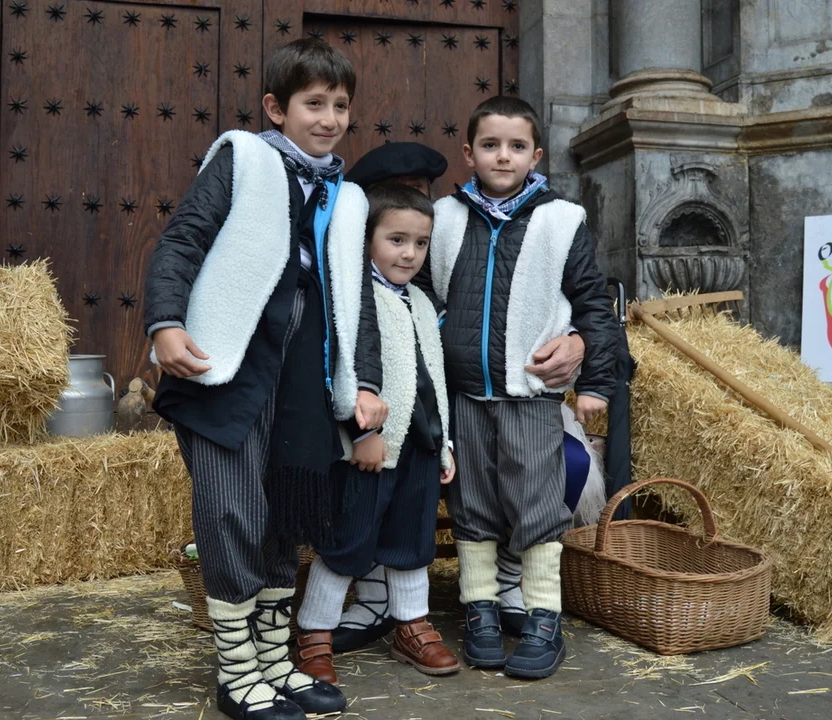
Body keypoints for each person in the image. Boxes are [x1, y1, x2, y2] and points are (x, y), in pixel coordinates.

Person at [143, 39, 388, 720]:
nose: (330, 118)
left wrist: (366, 382)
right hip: (230, 369)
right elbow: (183, 240)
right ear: (276, 109)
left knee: (285, 515)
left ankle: (274, 660)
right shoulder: (243, 159)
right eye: (314, 104)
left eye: (341, 105)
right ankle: (236, 671)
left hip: (303, 381)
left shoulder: (347, 198)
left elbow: (358, 301)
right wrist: (165, 322)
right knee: (234, 512)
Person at [428, 96, 620, 679]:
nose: (502, 156)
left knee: (537, 503)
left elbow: (593, 304)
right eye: (490, 145)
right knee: (473, 505)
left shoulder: (561, 221)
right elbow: (427, 297)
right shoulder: (445, 218)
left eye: (516, 146)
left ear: (536, 156)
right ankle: (480, 610)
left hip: (530, 395)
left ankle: (543, 617)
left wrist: (595, 382)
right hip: (465, 396)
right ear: (469, 153)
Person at [294, 183, 461, 682]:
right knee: (348, 540)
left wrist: (444, 444)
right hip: (369, 447)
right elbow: (343, 370)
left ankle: (411, 625)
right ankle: (315, 633)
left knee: (412, 540)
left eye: (420, 243)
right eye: (396, 240)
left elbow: (433, 377)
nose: (409, 253)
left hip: (420, 445)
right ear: (367, 239)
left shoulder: (422, 302)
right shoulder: (354, 297)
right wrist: (360, 432)